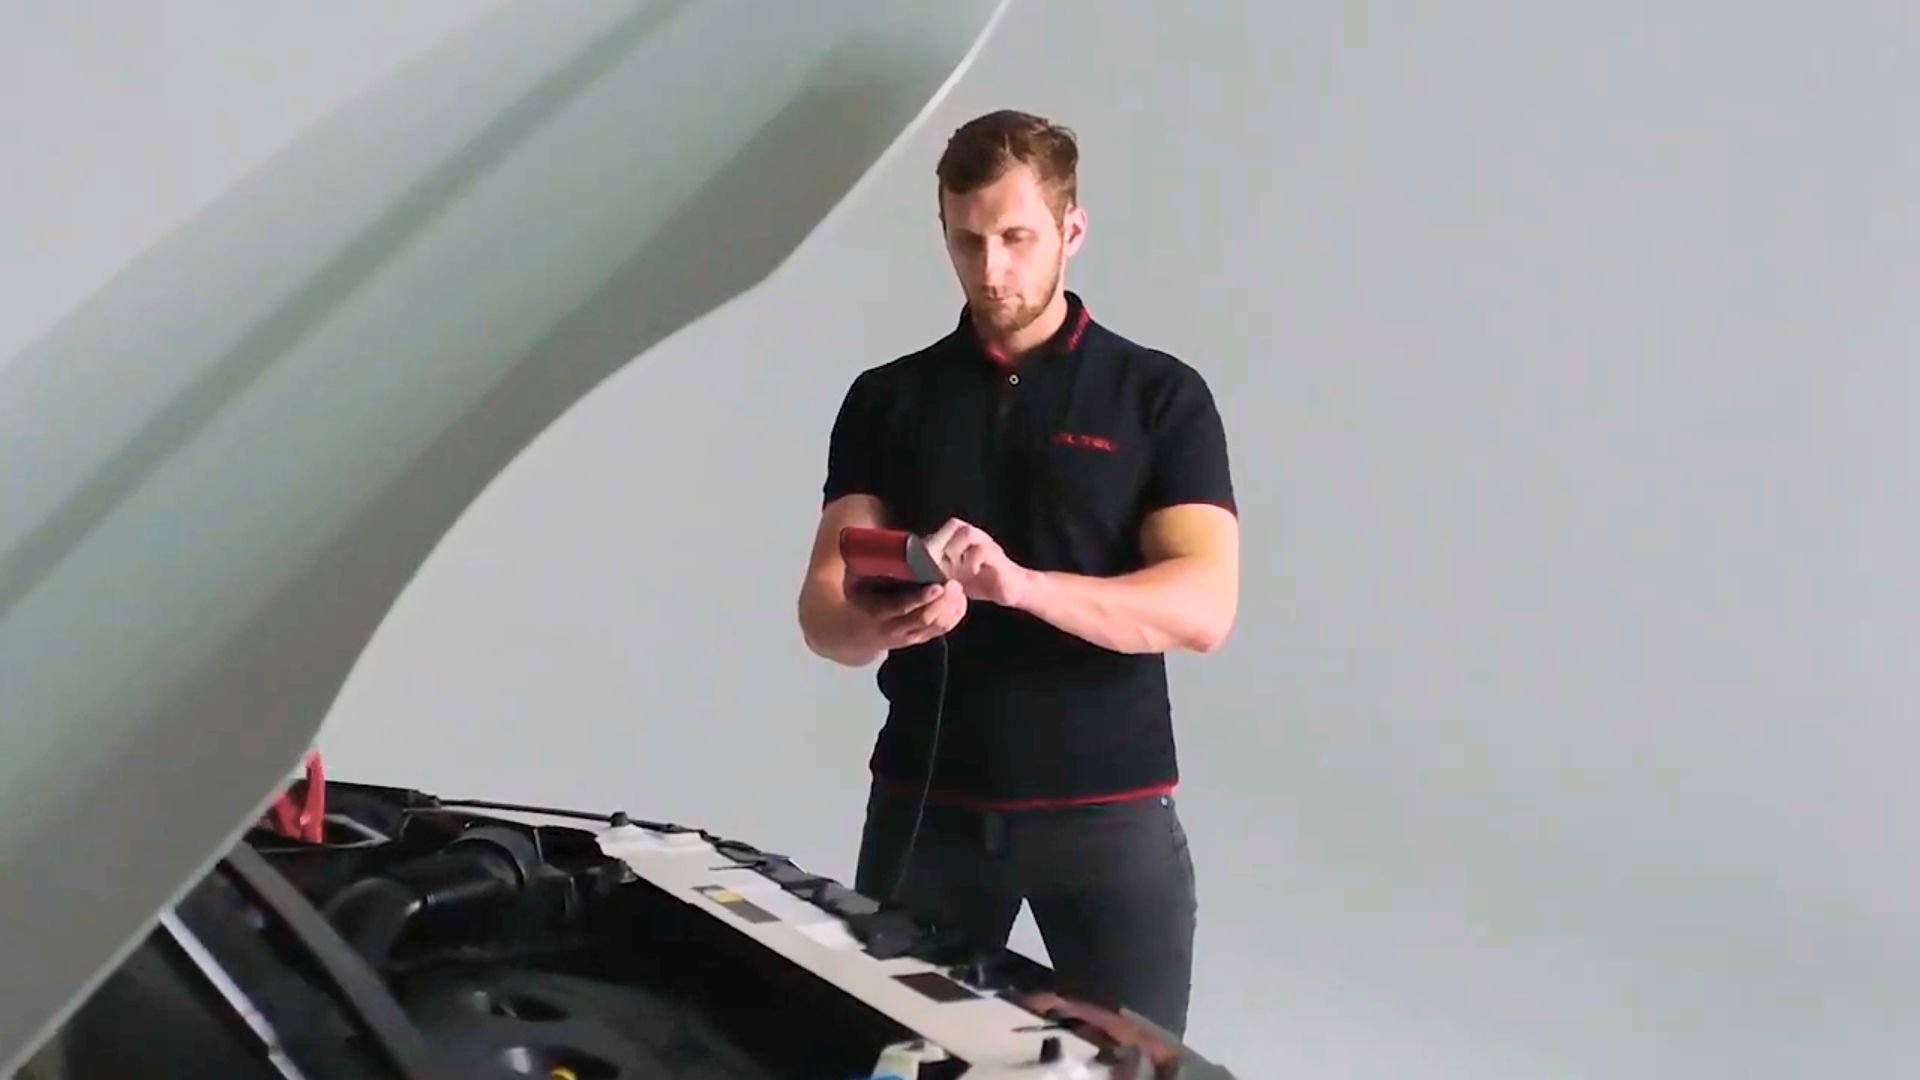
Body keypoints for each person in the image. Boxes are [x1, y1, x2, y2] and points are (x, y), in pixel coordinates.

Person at [795, 109, 1239, 1038]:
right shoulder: (887, 399)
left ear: (1072, 231)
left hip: (1109, 823)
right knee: (890, 1061)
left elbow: (1203, 607)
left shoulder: (1159, 396)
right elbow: (824, 610)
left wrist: (1022, 587)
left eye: (1016, 237)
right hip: (927, 815)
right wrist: (880, 624)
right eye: (967, 240)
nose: (991, 268)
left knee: (1126, 1072)